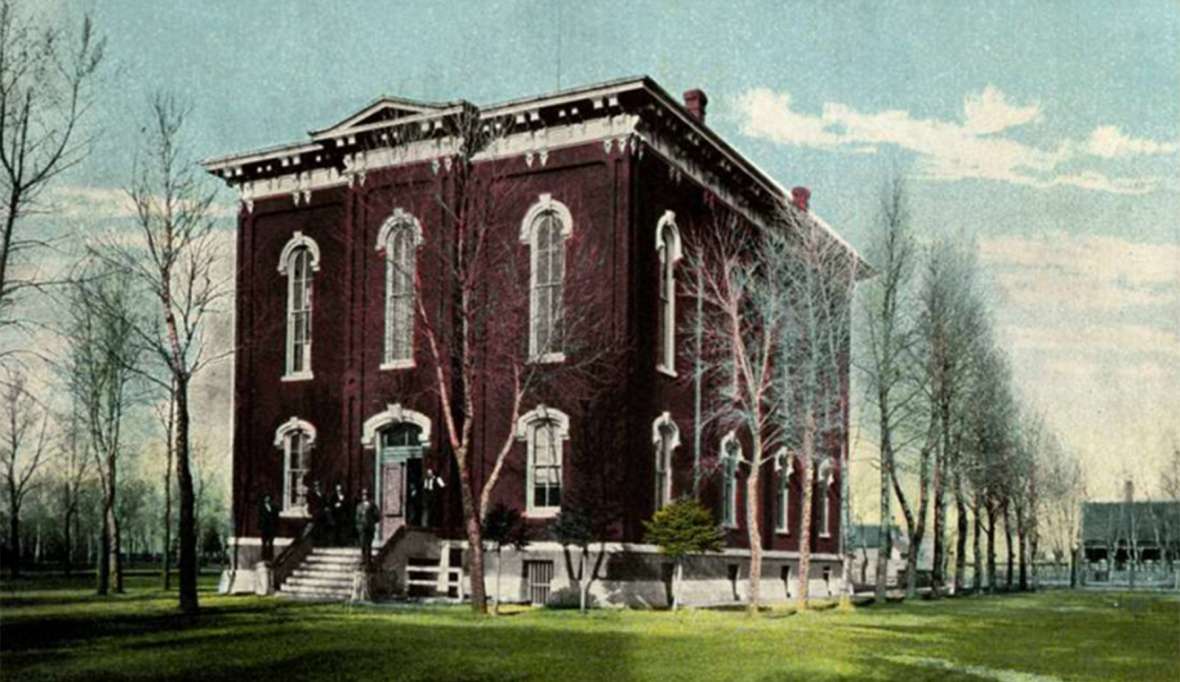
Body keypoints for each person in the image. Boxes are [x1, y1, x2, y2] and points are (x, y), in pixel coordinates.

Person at [355, 488, 379, 569]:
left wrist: (371, 521)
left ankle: (368, 561)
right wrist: (359, 527)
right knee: (362, 544)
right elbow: (357, 518)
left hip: (369, 528)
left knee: (368, 544)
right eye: (363, 495)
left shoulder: (372, 505)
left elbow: (377, 516)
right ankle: (363, 559)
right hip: (362, 528)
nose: (365, 496)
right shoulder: (359, 506)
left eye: (366, 495)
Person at [258, 493, 279, 562]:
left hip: (271, 528)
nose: (267, 499)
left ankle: (270, 556)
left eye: (268, 498)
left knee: (271, 543)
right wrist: (260, 527)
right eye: (266, 498)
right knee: (264, 543)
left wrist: (275, 527)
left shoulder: (273, 507)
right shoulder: (261, 507)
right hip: (264, 528)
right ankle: (264, 556)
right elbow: (260, 518)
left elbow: (276, 518)